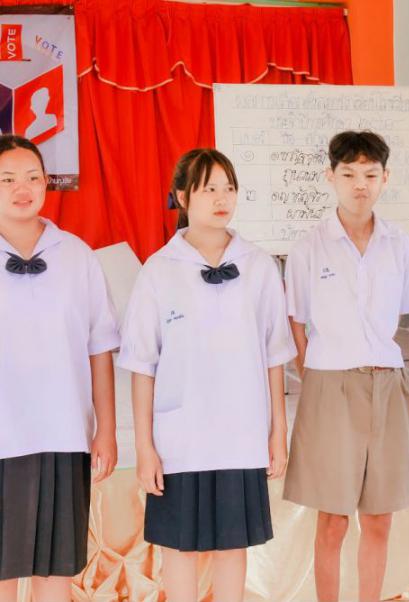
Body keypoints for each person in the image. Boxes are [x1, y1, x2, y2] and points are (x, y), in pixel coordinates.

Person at [118, 148, 296, 602]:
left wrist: (278, 431)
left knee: (233, 545)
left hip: (241, 431)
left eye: (229, 188)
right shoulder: (159, 270)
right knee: (179, 547)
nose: (222, 198)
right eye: (209, 189)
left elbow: (274, 355)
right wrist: (145, 446)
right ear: (182, 197)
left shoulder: (258, 266)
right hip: (181, 438)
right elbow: (142, 365)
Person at [282, 131, 409, 602]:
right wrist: (316, 377)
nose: (360, 184)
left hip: (387, 381)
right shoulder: (308, 248)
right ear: (331, 177)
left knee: (379, 518)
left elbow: (404, 314)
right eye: (349, 174)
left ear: (386, 178)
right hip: (329, 385)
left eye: (370, 174)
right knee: (333, 519)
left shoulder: (401, 245)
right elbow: (296, 323)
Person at [0, 134, 119, 602]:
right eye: (8, 179)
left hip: (64, 434)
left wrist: (106, 430)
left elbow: (100, 347)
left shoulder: (76, 255)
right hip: (3, 432)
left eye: (33, 177)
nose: (22, 188)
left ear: (47, 182)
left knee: (56, 568)